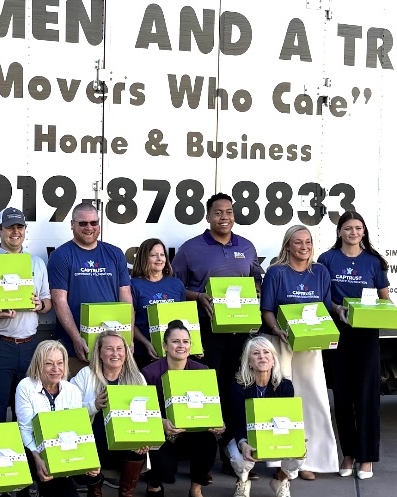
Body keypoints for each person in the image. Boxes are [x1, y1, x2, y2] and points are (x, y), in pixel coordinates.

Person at [171, 193, 264, 475]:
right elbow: (175, 287)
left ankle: (233, 452)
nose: (225, 217)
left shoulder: (246, 246)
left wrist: (254, 293)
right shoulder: (191, 249)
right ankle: (203, 458)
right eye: (218, 212)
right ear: (208, 216)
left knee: (237, 388)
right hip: (207, 331)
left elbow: (256, 281)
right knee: (207, 389)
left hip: (239, 331)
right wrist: (199, 297)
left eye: (229, 212)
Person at [260, 225, 338, 478]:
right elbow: (267, 309)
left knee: (313, 398)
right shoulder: (276, 272)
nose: (304, 247)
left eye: (308, 242)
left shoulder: (320, 272)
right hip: (280, 341)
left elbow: (324, 307)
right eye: (298, 242)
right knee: (282, 398)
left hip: (309, 344)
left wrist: (335, 318)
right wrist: (277, 329)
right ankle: (281, 460)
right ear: (287, 246)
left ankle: (309, 460)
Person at [318, 211, 390, 480]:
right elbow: (323, 296)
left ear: (364, 231)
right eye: (348, 228)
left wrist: (388, 312)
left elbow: (385, 298)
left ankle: (367, 457)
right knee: (343, 394)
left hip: (366, 334)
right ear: (339, 232)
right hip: (338, 331)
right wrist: (337, 309)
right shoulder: (327, 259)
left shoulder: (374, 261)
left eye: (358, 228)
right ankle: (348, 454)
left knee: (367, 395)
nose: (353, 233)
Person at [0, 207, 51, 425]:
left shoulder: (37, 263)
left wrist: (40, 304)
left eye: (20, 227)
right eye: (10, 227)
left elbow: (48, 302)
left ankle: (25, 449)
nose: (15, 232)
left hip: (30, 346)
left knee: (27, 410)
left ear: (25, 229)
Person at [13, 340, 99, 497]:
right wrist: (38, 458)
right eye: (49, 363)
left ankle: (44, 491)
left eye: (60, 363)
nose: (56, 369)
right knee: (22, 447)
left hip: (59, 456)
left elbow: (76, 430)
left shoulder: (72, 390)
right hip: (32, 450)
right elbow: (25, 429)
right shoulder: (25, 386)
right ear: (38, 364)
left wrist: (89, 461)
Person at [140, 321, 222, 497]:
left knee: (209, 442)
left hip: (192, 432)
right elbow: (142, 411)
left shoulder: (201, 371)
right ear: (165, 345)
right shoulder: (149, 373)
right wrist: (161, 422)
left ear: (191, 345)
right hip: (161, 432)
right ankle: (154, 481)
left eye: (185, 342)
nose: (181, 346)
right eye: (175, 341)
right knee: (166, 471)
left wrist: (216, 421)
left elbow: (210, 404)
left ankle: (196, 488)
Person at [47, 202, 132, 376]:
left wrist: (128, 337)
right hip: (76, 347)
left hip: (112, 347)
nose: (89, 228)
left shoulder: (115, 254)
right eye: (83, 223)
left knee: (111, 392)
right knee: (77, 391)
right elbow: (59, 300)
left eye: (94, 223)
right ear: (72, 225)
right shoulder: (60, 256)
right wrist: (76, 338)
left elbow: (126, 297)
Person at [71, 331, 151, 497]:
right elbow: (68, 412)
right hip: (93, 440)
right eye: (109, 349)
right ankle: (94, 483)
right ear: (99, 353)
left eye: (119, 349)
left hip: (124, 441)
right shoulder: (85, 375)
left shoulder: (137, 378)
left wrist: (145, 438)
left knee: (137, 445)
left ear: (126, 352)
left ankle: (126, 494)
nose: (115, 353)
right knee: (83, 466)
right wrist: (93, 405)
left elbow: (147, 414)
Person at [226, 336, 303, 497]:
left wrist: (295, 439)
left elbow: (288, 418)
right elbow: (236, 422)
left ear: (273, 359)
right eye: (256, 353)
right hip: (245, 436)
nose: (262, 356)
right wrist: (243, 443)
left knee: (300, 451)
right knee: (239, 457)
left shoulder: (285, 386)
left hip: (275, 437)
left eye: (266, 352)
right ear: (249, 362)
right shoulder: (237, 387)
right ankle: (243, 481)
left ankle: (281, 480)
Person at [130, 238, 187, 369]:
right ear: (144, 258)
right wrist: (146, 343)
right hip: (144, 352)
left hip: (174, 354)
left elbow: (185, 319)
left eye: (162, 255)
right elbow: (129, 322)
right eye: (153, 255)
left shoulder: (176, 284)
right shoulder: (133, 285)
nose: (159, 259)